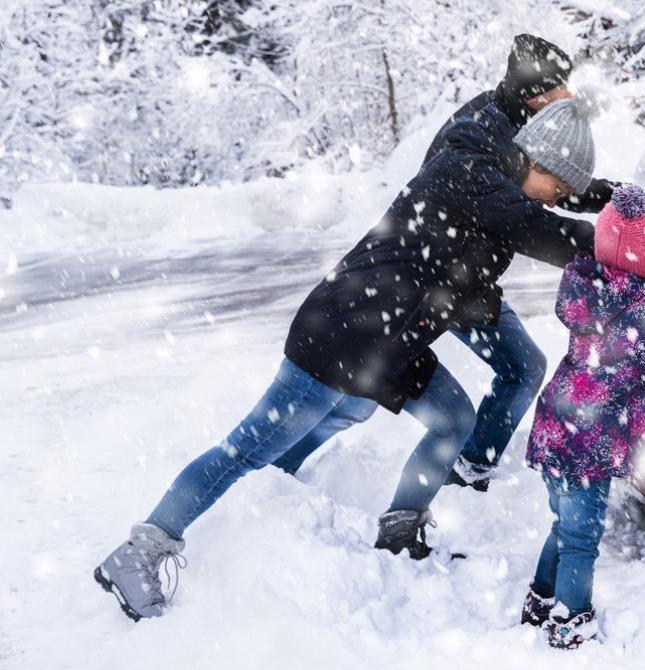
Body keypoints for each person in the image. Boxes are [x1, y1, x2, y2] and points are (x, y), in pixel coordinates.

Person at [94, 98, 598, 622]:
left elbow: (523, 226)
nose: (556, 202)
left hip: (388, 344)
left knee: (451, 419)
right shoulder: (474, 175)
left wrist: (618, 204)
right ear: (536, 160)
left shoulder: (499, 184)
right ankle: (141, 551)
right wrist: (623, 243)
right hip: (338, 337)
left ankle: (399, 528)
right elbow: (545, 232)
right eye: (557, 190)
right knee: (247, 449)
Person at [274, 34, 618, 493]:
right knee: (352, 401)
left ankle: (469, 468)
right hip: (439, 283)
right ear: (537, 97)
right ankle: (275, 476)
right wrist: (611, 246)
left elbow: (556, 181)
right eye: (562, 89)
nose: (571, 97)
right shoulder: (477, 134)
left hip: (466, 278)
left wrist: (620, 202)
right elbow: (522, 216)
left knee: (522, 366)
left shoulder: (529, 131)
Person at [517, 185, 645, 649]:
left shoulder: (588, 292)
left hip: (556, 429)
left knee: (564, 526)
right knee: (580, 541)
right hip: (586, 447)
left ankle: (540, 598)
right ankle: (571, 620)